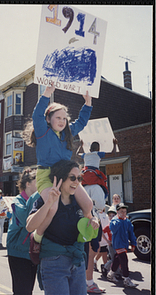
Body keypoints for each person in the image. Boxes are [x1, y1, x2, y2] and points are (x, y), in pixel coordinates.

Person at [23, 83, 94, 262]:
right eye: (58, 117)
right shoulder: (42, 131)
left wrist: (88, 104)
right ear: (49, 119)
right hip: (47, 175)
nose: (62, 121)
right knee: (52, 207)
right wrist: (46, 94)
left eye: (64, 118)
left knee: (88, 204)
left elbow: (82, 122)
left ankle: (84, 232)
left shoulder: (67, 133)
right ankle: (37, 239)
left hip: (66, 174)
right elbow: (37, 114)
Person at [26, 160, 99, 295]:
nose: (77, 182)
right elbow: (30, 226)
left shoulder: (79, 202)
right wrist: (48, 203)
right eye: (72, 178)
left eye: (79, 178)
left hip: (77, 261)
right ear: (61, 178)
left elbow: (91, 218)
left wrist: (94, 221)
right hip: (53, 261)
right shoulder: (45, 197)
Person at [7, 169, 39, 295]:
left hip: (32, 252)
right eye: (39, 182)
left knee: (28, 290)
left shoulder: (38, 201)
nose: (42, 184)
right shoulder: (17, 201)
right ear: (28, 184)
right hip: (18, 253)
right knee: (22, 291)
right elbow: (27, 220)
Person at [77, 138, 118, 213]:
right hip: (94, 173)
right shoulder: (98, 153)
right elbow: (113, 153)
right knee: (102, 184)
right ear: (98, 149)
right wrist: (115, 144)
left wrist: (80, 145)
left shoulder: (85, 154)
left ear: (89, 149)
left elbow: (77, 154)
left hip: (85, 173)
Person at [107, 203, 138, 288]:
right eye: (121, 211)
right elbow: (113, 228)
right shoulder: (114, 220)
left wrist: (133, 243)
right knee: (124, 260)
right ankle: (126, 279)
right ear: (117, 212)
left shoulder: (127, 221)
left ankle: (111, 274)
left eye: (125, 211)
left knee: (117, 258)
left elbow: (131, 233)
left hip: (124, 243)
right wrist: (119, 219)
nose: (123, 213)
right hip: (117, 244)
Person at [101, 206, 117, 277]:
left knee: (118, 258)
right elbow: (102, 232)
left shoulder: (117, 225)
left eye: (113, 215)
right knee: (113, 258)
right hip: (111, 243)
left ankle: (117, 271)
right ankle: (105, 267)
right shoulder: (108, 226)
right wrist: (107, 241)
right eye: (110, 216)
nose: (111, 217)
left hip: (117, 243)